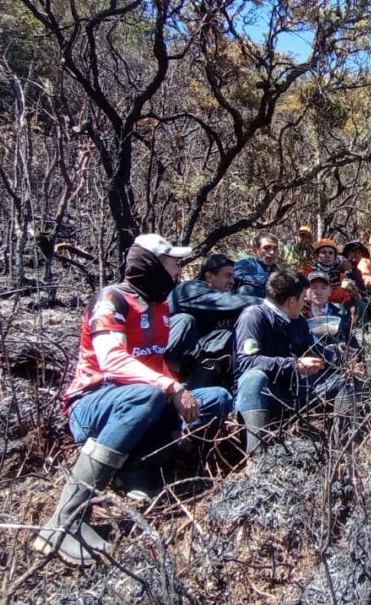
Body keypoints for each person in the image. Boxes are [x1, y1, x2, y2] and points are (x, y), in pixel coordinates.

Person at [32, 234, 233, 566]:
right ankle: (64, 520)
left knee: (215, 399)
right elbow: (111, 360)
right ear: (153, 264)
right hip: (94, 405)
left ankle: (136, 469)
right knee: (148, 393)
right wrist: (171, 388)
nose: (179, 271)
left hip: (144, 403)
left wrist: (181, 386)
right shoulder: (112, 299)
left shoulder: (160, 307)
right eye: (174, 263)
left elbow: (160, 366)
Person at [232, 270, 362, 454]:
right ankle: (256, 458)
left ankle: (343, 451)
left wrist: (346, 362)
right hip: (263, 395)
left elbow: (315, 348)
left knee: (343, 382)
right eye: (302, 298)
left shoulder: (297, 320)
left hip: (292, 389)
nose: (305, 303)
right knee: (254, 377)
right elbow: (247, 362)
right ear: (292, 301)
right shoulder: (253, 317)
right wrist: (294, 365)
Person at [166, 254, 260, 388]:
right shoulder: (190, 289)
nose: (232, 282)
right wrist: (272, 304)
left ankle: (192, 389)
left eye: (233, 277)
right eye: (227, 276)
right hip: (163, 350)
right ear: (209, 277)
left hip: (191, 354)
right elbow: (228, 302)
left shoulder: (213, 297)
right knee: (185, 320)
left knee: (226, 334)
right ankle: (168, 378)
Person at [233, 232, 280, 298]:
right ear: (255, 250)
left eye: (275, 249)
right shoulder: (246, 263)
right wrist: (266, 280)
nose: (272, 252)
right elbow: (235, 274)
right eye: (266, 248)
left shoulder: (277, 270)